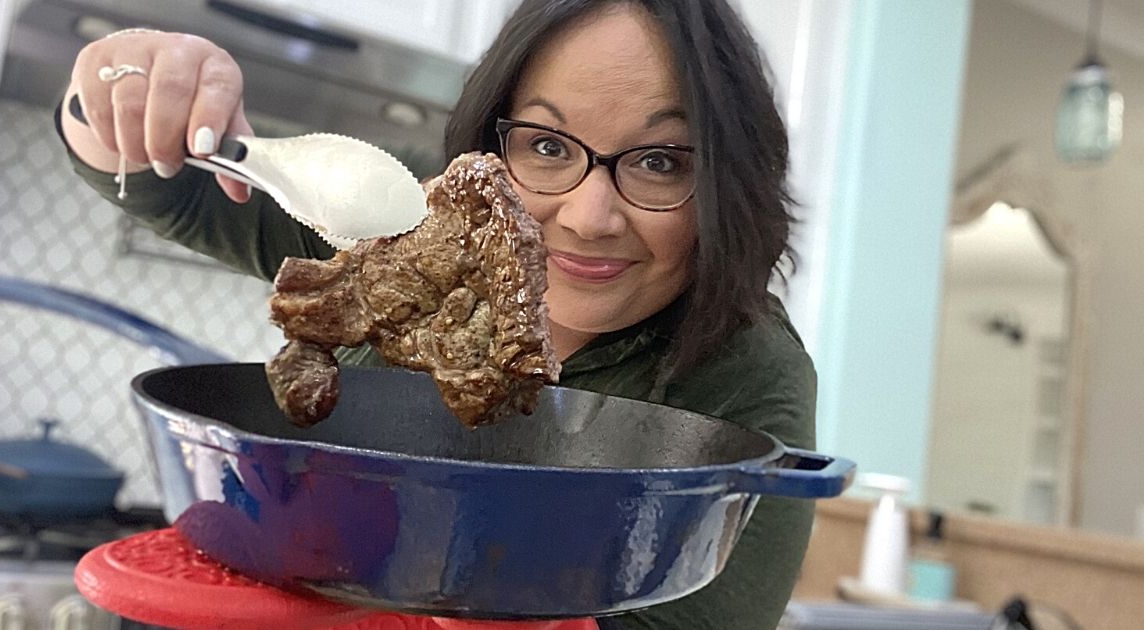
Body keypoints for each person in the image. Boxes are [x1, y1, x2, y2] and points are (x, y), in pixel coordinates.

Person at [58, 1, 816, 628]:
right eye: (548, 145)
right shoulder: (404, 226)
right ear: (492, 143)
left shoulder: (747, 371)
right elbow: (143, 174)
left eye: (661, 162)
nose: (589, 216)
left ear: (729, 183)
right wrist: (129, 75)